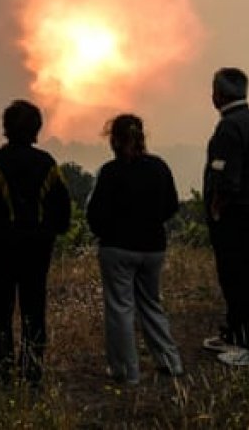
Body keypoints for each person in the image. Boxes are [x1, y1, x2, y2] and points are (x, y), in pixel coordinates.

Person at [0, 99, 71, 387]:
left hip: (2, 248)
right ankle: (32, 371)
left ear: (6, 128)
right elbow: (63, 209)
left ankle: (1, 371)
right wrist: (49, 231)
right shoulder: (47, 164)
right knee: (34, 309)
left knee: (0, 309)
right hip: (37, 250)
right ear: (37, 130)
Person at [86, 114, 184, 384]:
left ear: (114, 140)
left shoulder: (110, 172)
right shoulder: (159, 167)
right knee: (152, 304)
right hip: (153, 247)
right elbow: (172, 205)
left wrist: (105, 233)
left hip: (117, 248)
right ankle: (170, 362)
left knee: (120, 308)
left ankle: (126, 371)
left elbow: (95, 214)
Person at [204, 67, 249, 363]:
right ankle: (234, 333)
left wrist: (217, 208)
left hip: (236, 217)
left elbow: (226, 176)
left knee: (236, 277)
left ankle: (244, 343)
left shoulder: (228, 127)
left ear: (218, 94)